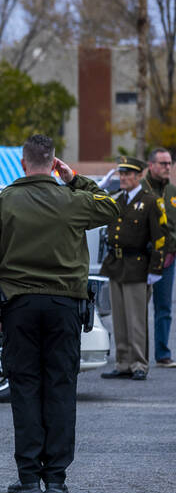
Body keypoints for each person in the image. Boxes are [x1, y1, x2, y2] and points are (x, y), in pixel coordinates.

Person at [0, 135, 119, 493]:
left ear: (22, 163)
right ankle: (55, 477)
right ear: (54, 163)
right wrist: (75, 179)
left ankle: (27, 477)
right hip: (64, 307)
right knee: (60, 388)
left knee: (24, 389)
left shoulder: (3, 202)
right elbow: (112, 208)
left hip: (19, 307)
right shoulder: (73, 199)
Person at [101, 156, 166, 381]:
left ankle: (139, 363)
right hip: (116, 265)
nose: (124, 178)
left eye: (128, 174)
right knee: (119, 319)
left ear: (139, 176)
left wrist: (156, 269)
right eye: (121, 174)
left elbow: (160, 238)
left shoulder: (150, 201)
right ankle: (124, 362)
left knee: (136, 319)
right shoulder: (118, 199)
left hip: (137, 266)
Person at [141, 148, 176, 368]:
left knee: (163, 307)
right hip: (143, 258)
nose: (167, 167)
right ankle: (139, 356)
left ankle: (162, 354)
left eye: (170, 163)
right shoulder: (140, 190)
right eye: (163, 163)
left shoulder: (172, 192)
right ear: (151, 165)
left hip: (168, 259)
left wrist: (172, 249)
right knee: (138, 309)